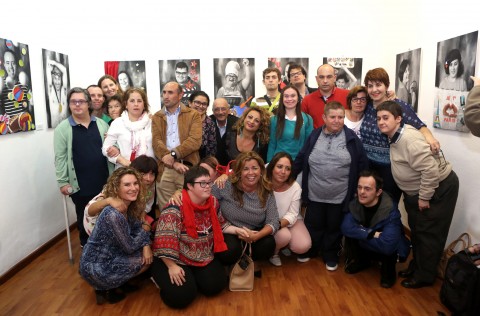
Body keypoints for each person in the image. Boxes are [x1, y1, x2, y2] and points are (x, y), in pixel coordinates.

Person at [376, 101, 459, 289]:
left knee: (428, 234)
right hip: (420, 190)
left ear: (398, 119)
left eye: (386, 118)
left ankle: (424, 276)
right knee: (418, 231)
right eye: (379, 118)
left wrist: (424, 197)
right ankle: (417, 267)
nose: (381, 122)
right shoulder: (394, 135)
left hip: (436, 190)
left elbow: (430, 170)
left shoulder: (408, 139)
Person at [293, 101, 368, 271]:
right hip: (314, 193)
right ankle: (311, 250)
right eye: (332, 117)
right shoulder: (314, 136)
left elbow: (363, 165)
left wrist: (360, 189)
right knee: (314, 225)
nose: (336, 120)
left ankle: (330, 254)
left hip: (340, 196)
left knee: (334, 227)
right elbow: (301, 157)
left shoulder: (351, 139)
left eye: (340, 117)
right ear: (324, 118)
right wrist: (287, 178)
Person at [151, 166, 228, 309]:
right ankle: (159, 277)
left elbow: (221, 224)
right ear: (190, 186)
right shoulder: (175, 207)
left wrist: (242, 231)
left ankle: (193, 278)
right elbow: (163, 241)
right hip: (174, 258)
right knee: (181, 298)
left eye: (209, 182)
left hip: (202, 255)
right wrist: (172, 266)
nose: (208, 187)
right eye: (202, 183)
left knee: (216, 286)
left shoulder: (213, 202)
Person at [360, 67, 440, 204]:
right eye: (370, 86)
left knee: (388, 206)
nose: (374, 89)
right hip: (369, 166)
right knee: (369, 204)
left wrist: (430, 138)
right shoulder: (366, 106)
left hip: (390, 168)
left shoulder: (398, 105)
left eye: (378, 85)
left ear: (387, 86)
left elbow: (419, 125)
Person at [79, 167, 152, 305]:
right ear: (116, 188)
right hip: (95, 266)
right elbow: (130, 246)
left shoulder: (129, 205)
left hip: (111, 255)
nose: (133, 188)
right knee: (144, 260)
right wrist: (146, 230)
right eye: (127, 184)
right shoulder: (112, 214)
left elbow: (138, 228)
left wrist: (146, 242)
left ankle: (116, 282)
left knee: (146, 253)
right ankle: (105, 287)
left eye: (135, 183)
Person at [54, 87, 113, 246]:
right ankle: (87, 248)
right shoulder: (62, 129)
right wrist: (63, 182)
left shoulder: (101, 125)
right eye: (73, 102)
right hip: (80, 184)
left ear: (88, 104)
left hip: (103, 181)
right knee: (84, 217)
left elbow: (110, 152)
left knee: (105, 215)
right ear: (69, 105)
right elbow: (60, 158)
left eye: (81, 101)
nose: (77, 105)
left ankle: (107, 247)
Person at [212, 151, 280, 275]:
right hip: (229, 229)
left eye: (255, 168)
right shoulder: (226, 184)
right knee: (228, 251)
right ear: (239, 172)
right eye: (246, 169)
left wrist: (256, 236)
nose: (251, 173)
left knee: (269, 244)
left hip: (254, 232)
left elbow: (274, 221)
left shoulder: (267, 190)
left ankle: (250, 261)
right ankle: (235, 263)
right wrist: (180, 192)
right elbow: (204, 196)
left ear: (261, 171)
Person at [341, 170, 411, 288]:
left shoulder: (390, 210)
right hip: (376, 240)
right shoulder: (355, 203)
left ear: (378, 192)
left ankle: (388, 273)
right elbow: (346, 227)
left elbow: (387, 245)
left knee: (389, 245)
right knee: (351, 234)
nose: (361, 192)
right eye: (359, 187)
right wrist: (371, 233)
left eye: (367, 189)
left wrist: (360, 232)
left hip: (387, 249)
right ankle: (363, 262)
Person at [152, 81, 202, 209]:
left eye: (170, 92)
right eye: (164, 92)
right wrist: (173, 162)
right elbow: (156, 142)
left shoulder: (193, 115)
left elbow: (194, 141)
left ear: (180, 95)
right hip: (165, 168)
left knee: (190, 208)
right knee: (166, 210)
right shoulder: (157, 116)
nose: (166, 96)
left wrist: (173, 154)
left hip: (188, 167)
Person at [84, 155, 159, 236]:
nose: (148, 178)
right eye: (143, 173)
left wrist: (142, 220)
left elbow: (145, 206)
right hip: (96, 227)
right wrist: (109, 200)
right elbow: (89, 210)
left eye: (152, 174)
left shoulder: (149, 188)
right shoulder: (115, 188)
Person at [266, 152, 311, 267]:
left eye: (287, 169)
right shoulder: (262, 177)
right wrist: (224, 175)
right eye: (279, 167)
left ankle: (283, 245)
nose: (283, 172)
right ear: (272, 167)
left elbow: (292, 214)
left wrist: (277, 225)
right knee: (284, 236)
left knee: (303, 246)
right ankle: (274, 253)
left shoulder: (295, 187)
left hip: (288, 219)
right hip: (268, 220)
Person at [102, 88, 154, 169]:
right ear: (126, 104)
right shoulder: (117, 123)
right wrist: (124, 162)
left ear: (144, 104)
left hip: (148, 173)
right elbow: (105, 148)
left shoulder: (152, 122)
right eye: (132, 101)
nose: (136, 104)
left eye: (139, 101)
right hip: (124, 171)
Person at [267, 85, 313, 162]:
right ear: (282, 99)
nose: (289, 99)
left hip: (298, 163)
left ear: (298, 98)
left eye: (293, 96)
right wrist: (269, 164)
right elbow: (272, 144)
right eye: (286, 96)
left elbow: (308, 145)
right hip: (278, 163)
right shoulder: (274, 120)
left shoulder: (307, 119)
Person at [302, 64, 349, 128]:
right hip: (316, 137)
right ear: (316, 79)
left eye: (329, 77)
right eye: (321, 77)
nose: (325, 81)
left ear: (335, 78)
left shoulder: (347, 96)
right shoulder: (307, 100)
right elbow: (303, 126)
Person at [0, 49, 34, 133]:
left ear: (17, 64)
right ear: (4, 64)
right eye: (8, 63)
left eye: (13, 63)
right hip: (11, 132)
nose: (10, 67)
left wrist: (32, 101)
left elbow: (30, 105)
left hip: (26, 129)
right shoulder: (2, 85)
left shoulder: (23, 83)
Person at [209, 98, 239, 165]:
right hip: (213, 164)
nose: (220, 112)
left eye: (223, 109)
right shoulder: (208, 123)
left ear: (228, 110)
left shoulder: (237, 123)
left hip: (232, 164)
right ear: (213, 111)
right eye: (217, 109)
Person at [189, 91, 216, 158]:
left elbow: (212, 147)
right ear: (190, 103)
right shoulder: (181, 119)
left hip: (203, 161)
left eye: (204, 104)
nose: (200, 106)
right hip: (181, 161)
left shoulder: (210, 122)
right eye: (197, 102)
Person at [45, 58, 68, 128]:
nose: (57, 82)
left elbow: (64, 70)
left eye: (59, 79)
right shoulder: (51, 92)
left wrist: (54, 63)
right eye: (55, 79)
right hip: (54, 130)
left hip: (65, 129)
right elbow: (48, 71)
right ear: (52, 79)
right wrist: (50, 65)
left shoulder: (64, 92)